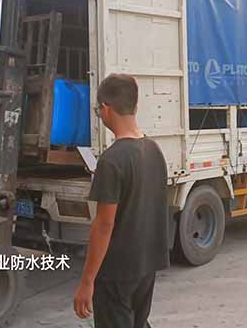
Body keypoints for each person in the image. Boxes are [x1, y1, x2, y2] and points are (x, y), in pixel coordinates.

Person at [73, 74, 170, 328]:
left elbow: (104, 225)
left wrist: (87, 281)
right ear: (134, 107)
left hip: (116, 272)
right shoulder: (154, 150)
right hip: (146, 266)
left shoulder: (112, 160)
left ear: (105, 109)